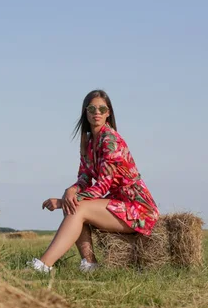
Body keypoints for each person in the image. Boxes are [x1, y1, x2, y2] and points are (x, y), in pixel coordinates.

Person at [27, 89, 160, 273]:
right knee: (74, 205)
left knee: (77, 207)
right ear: (85, 112)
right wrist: (70, 191)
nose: (97, 112)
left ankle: (43, 266)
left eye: (102, 109)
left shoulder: (110, 140)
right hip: (117, 203)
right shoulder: (89, 143)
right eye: (92, 108)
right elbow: (84, 177)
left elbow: (103, 185)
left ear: (108, 113)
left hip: (137, 209)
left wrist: (62, 202)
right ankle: (89, 265)